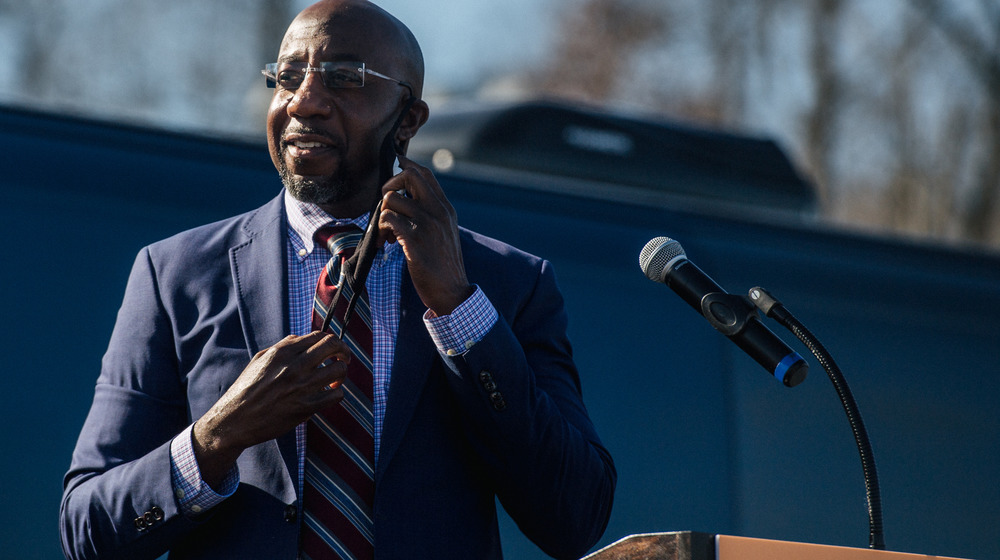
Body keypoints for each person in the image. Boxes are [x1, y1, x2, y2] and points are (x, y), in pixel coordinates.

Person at [59, 1, 616, 559]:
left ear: (408, 120)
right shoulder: (175, 275)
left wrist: (459, 308)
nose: (304, 102)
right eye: (288, 77)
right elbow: (86, 529)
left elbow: (574, 517)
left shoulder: (509, 283)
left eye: (344, 79)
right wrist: (214, 440)